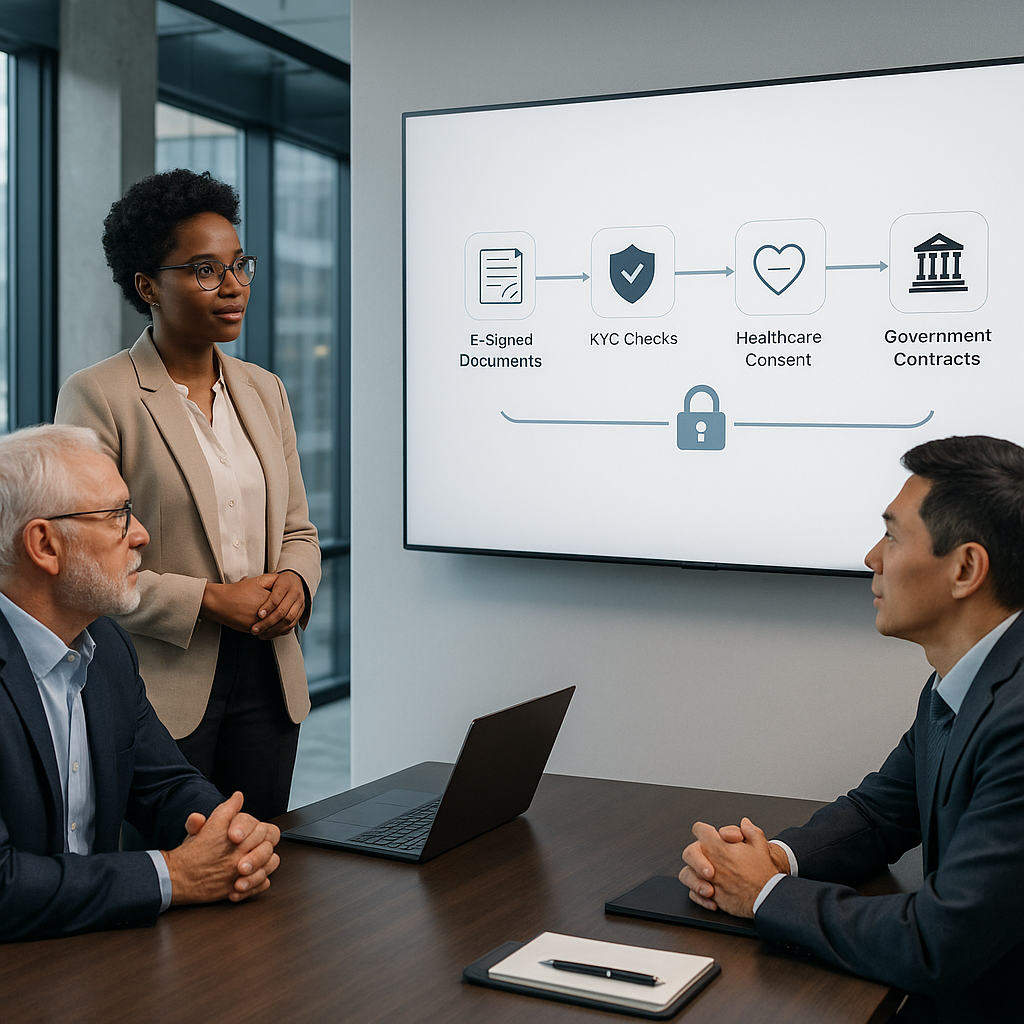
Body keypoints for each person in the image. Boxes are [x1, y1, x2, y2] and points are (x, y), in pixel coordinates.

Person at [678, 435, 1024, 1023]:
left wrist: (764, 895)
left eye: (892, 536)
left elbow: (935, 942)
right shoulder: (968, 678)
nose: (872, 557)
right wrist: (776, 859)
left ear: (966, 568)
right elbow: (880, 813)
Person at [55, 169, 321, 820]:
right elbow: (85, 560)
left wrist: (296, 582)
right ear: (147, 285)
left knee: (261, 864)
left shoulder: (265, 390)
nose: (233, 287)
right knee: (174, 877)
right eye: (205, 270)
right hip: (162, 683)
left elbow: (298, 530)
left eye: (238, 266)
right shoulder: (100, 395)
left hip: (269, 673)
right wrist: (207, 600)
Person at [0, 425, 282, 942]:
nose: (140, 534)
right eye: (116, 516)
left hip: (102, 953)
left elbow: (164, 784)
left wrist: (230, 836)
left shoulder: (105, 644)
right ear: (44, 544)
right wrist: (175, 875)